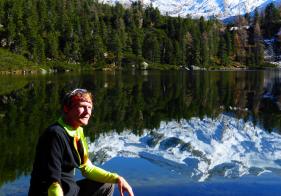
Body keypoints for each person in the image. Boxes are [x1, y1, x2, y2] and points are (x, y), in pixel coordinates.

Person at [28, 88, 134, 196]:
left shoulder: (77, 132)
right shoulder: (55, 134)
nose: (87, 112)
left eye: (90, 107)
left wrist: (117, 178)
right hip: (51, 192)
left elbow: (87, 169)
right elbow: (53, 184)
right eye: (82, 107)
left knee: (106, 185)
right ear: (66, 109)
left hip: (70, 191)